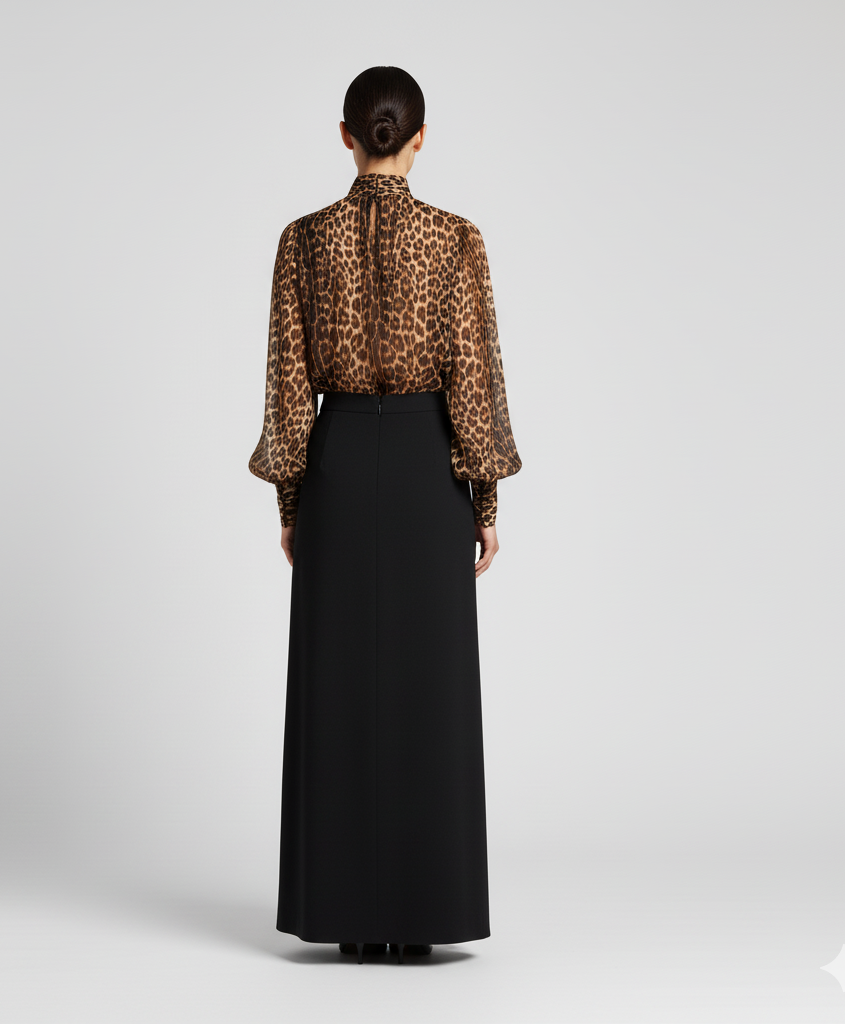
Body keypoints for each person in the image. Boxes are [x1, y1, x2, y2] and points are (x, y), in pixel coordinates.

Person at [247, 65, 522, 965]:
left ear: (346, 134)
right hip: (425, 468)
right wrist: (485, 499)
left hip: (336, 465)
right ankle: (423, 911)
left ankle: (346, 915)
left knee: (336, 690)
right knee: (429, 692)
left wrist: (294, 500)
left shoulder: (302, 241)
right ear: (419, 137)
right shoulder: (456, 240)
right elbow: (474, 376)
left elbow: (289, 386)